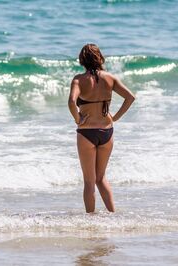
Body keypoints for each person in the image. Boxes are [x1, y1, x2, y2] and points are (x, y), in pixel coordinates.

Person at [68, 44, 135, 213]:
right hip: (107, 132)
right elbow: (130, 97)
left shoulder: (78, 80)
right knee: (101, 178)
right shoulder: (110, 78)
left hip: (86, 132)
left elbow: (71, 101)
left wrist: (78, 119)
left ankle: (91, 219)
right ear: (100, 58)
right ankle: (113, 216)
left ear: (82, 60)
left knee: (89, 181)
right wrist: (116, 117)